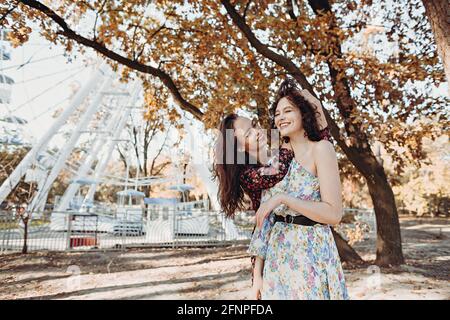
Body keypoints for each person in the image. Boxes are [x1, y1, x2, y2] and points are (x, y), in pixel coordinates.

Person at [212, 85, 331, 294]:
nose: (258, 132)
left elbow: (321, 142)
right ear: (239, 147)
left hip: (311, 246)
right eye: (249, 133)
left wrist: (307, 101)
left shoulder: (283, 148)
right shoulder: (250, 175)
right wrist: (256, 275)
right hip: (274, 249)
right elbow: (264, 222)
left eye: (255, 125)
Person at [248, 78, 349, 300]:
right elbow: (265, 221)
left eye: (288, 110)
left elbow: (334, 214)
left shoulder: (322, 149)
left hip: (312, 254)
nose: (281, 117)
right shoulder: (278, 160)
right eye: (277, 114)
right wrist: (257, 276)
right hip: (277, 257)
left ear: (304, 113)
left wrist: (284, 198)